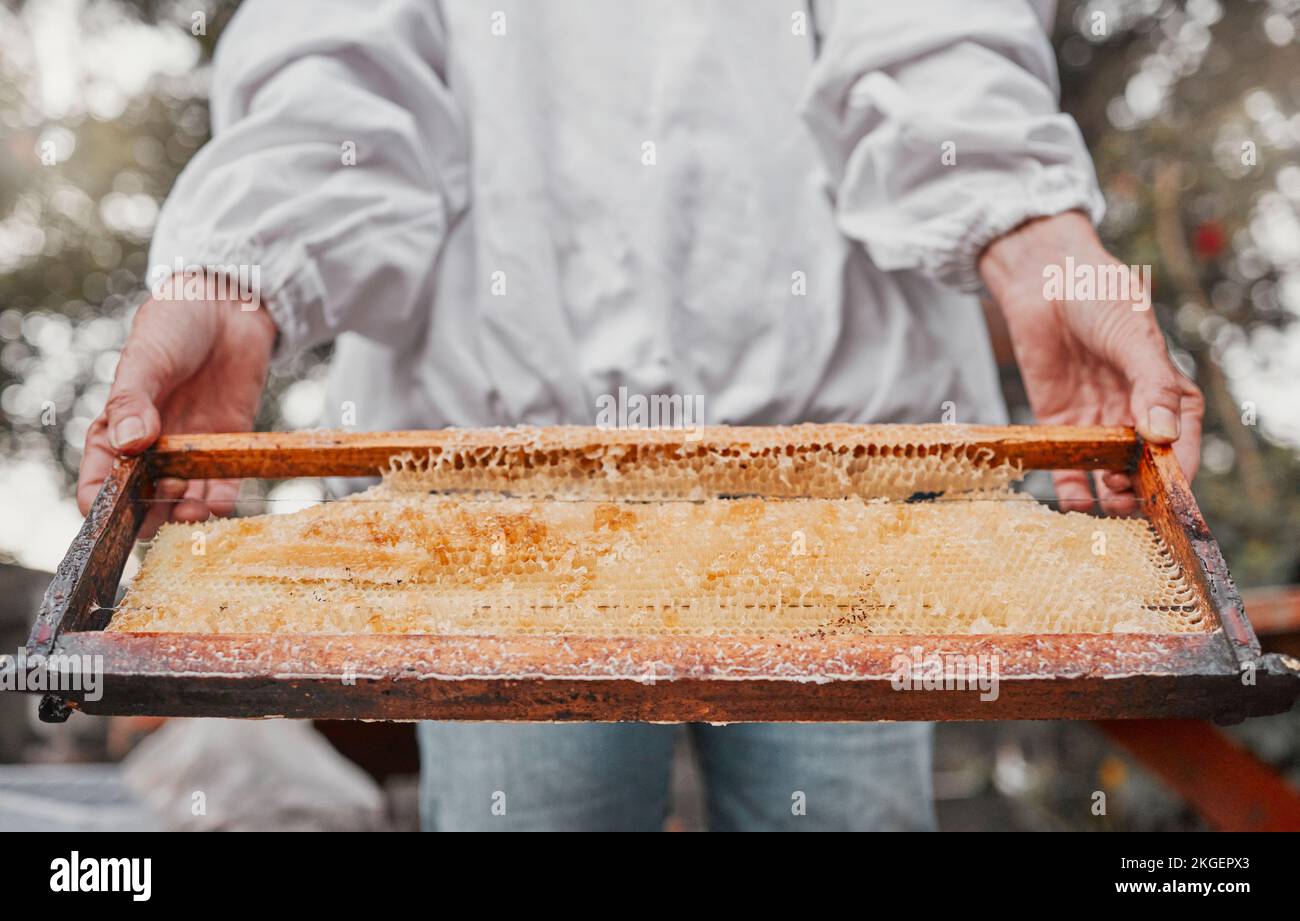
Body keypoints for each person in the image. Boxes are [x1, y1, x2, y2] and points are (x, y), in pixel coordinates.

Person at [77, 0, 1203, 831]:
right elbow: (337, 71)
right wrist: (235, 279)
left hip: (842, 508)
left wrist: (1035, 232)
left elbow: (927, 37)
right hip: (500, 526)